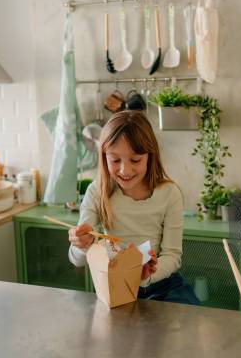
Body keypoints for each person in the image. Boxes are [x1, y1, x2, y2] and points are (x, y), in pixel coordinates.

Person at [68, 110, 199, 305]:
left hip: (163, 284)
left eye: (135, 160)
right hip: (116, 286)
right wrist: (81, 244)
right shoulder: (98, 191)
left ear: (150, 155)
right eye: (115, 160)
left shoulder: (170, 193)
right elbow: (76, 259)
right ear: (104, 157)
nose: (125, 170)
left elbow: (172, 256)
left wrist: (145, 275)